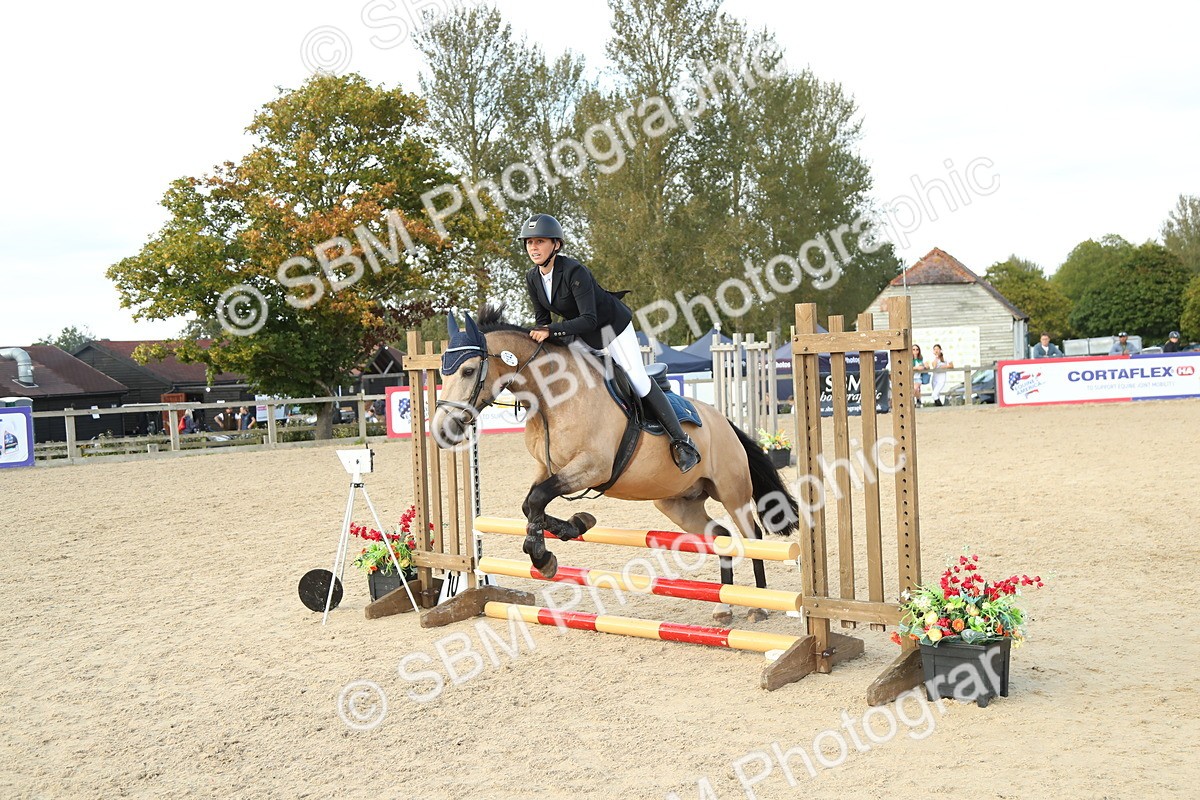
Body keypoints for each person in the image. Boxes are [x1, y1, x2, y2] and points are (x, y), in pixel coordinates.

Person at [519, 213, 700, 472]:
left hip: (611, 327)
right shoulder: (532, 278)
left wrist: (551, 330)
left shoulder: (574, 271)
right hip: (578, 332)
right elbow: (542, 321)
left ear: (556, 245)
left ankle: (682, 442)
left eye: (539, 241)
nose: (533, 248)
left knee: (636, 377)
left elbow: (590, 319)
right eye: (529, 243)